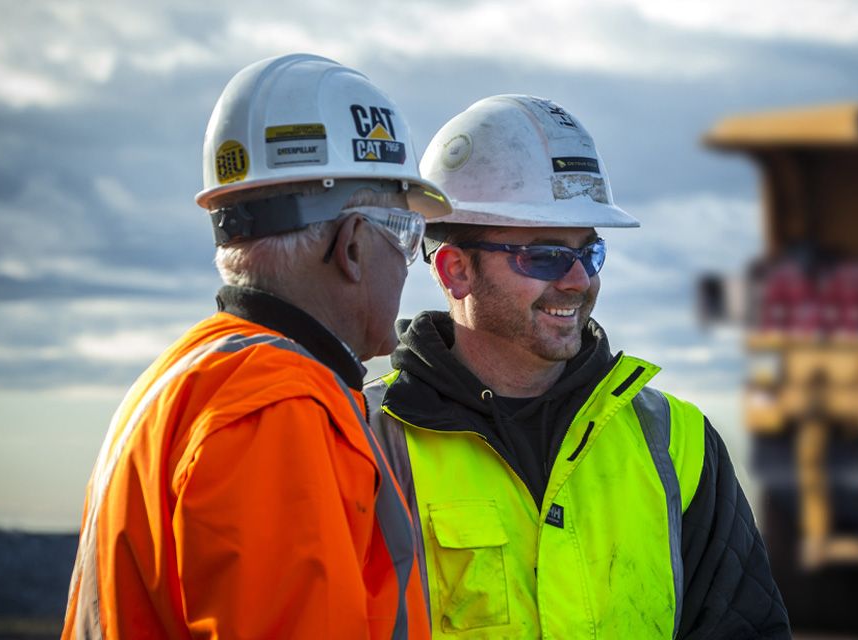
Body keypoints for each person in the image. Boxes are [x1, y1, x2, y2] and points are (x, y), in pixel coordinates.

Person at [366, 95, 790, 638]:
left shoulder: (675, 443)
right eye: (544, 256)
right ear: (455, 271)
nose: (578, 281)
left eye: (589, 253)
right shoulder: (372, 443)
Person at [62, 54, 452, 639]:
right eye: (404, 234)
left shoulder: (184, 378)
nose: (406, 265)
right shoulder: (276, 409)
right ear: (351, 246)